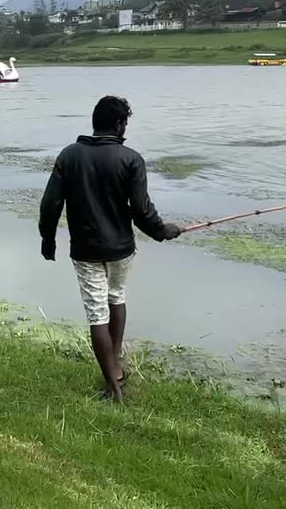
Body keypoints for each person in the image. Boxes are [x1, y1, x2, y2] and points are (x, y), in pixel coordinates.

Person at [38, 95, 181, 402]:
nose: (125, 127)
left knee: (96, 314)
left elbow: (51, 203)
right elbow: (142, 211)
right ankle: (114, 378)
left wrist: (47, 239)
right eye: (125, 122)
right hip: (122, 249)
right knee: (116, 298)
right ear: (118, 124)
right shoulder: (131, 159)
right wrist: (163, 231)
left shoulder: (69, 156)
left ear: (95, 122)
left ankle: (112, 379)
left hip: (85, 250)